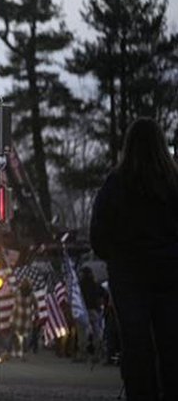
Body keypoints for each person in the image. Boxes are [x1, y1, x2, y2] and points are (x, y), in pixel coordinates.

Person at [90, 118, 178, 401]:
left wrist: (114, 258)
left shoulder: (116, 184)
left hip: (129, 277)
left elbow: (99, 232)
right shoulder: (173, 183)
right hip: (170, 274)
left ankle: (141, 393)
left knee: (135, 341)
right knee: (171, 341)